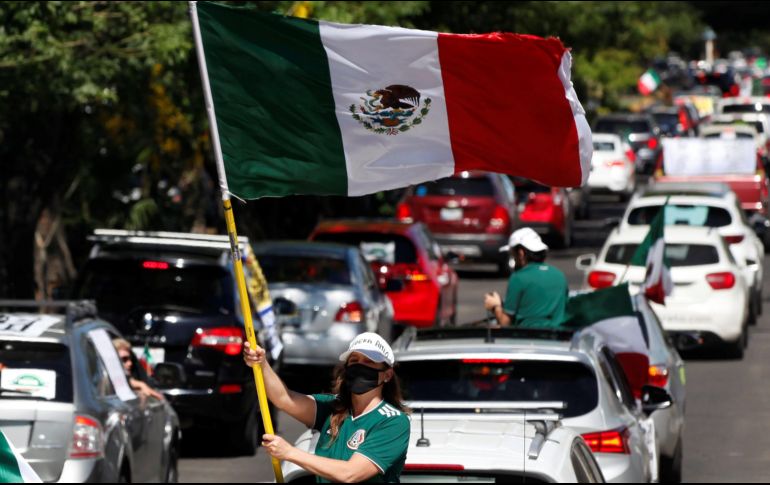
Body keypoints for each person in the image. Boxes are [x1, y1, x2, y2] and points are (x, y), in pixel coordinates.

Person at [243, 332, 410, 483]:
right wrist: (262, 364)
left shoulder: (393, 421)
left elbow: (350, 474)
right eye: (354, 361)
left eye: (369, 362)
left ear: (387, 375)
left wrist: (289, 453)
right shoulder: (333, 407)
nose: (360, 366)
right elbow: (284, 398)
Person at [483, 227, 568, 328]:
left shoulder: (518, 278)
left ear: (521, 253)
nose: (513, 259)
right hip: (557, 339)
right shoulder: (559, 275)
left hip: (527, 338)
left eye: (512, 254)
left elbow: (505, 323)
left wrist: (495, 306)